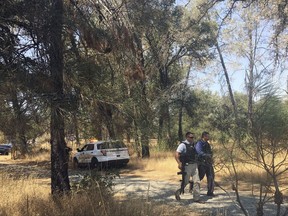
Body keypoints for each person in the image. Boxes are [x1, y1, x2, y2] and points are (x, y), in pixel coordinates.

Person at [175, 132, 204, 203]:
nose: (192, 139)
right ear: (187, 137)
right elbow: (177, 154)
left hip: (194, 165)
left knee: (197, 181)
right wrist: (179, 163)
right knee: (185, 181)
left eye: (193, 137)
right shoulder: (183, 145)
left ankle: (196, 198)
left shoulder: (193, 145)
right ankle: (177, 192)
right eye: (190, 137)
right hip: (187, 166)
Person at [195, 131, 215, 197]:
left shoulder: (207, 144)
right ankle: (193, 187)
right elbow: (199, 152)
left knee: (211, 176)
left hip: (208, 163)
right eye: (207, 136)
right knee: (200, 177)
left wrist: (211, 158)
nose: (208, 137)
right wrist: (206, 155)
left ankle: (210, 192)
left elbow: (210, 152)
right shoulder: (199, 143)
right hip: (201, 163)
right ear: (203, 136)